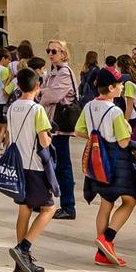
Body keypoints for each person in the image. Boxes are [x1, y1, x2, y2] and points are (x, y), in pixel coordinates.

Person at [77, 71, 136, 267]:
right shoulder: (114, 112)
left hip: (97, 162)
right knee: (129, 201)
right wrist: (128, 128)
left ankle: (102, 253)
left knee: (106, 203)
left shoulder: (89, 106)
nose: (122, 87)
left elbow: (79, 131)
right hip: (116, 161)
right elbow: (123, 142)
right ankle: (107, 238)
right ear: (111, 88)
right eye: (119, 84)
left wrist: (95, 136)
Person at [4, 68, 54, 272]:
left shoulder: (12, 107)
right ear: (37, 86)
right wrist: (50, 139)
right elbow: (44, 140)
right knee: (48, 209)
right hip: (34, 165)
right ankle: (23, 248)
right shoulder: (37, 110)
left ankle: (20, 263)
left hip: (18, 164)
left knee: (24, 209)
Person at [38, 41, 78, 220]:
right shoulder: (53, 72)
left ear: (63, 53)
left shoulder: (64, 72)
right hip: (51, 124)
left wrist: (42, 92)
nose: (50, 54)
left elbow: (50, 96)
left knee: (63, 165)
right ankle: (45, 201)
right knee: (48, 163)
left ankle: (68, 206)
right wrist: (44, 92)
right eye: (49, 51)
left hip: (60, 125)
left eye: (54, 51)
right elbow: (45, 92)